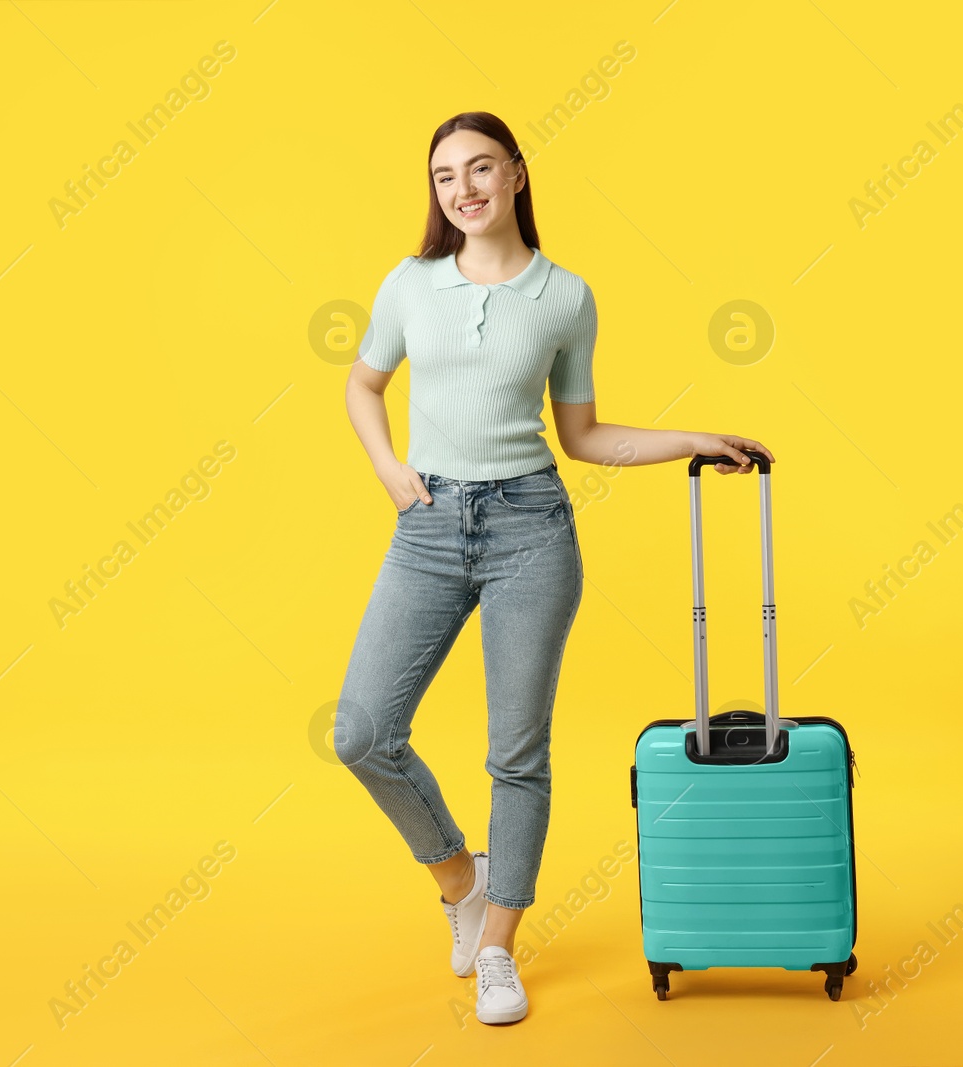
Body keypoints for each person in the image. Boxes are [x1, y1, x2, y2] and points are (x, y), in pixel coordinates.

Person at [337, 110, 775, 1025]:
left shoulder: (566, 296)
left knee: (516, 752)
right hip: (427, 526)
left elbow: (582, 435)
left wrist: (690, 434)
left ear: (518, 175)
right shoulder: (410, 284)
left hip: (530, 529)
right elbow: (363, 383)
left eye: (481, 168)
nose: (464, 189)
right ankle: (461, 876)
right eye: (447, 175)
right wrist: (388, 467)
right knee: (362, 732)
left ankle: (497, 946)